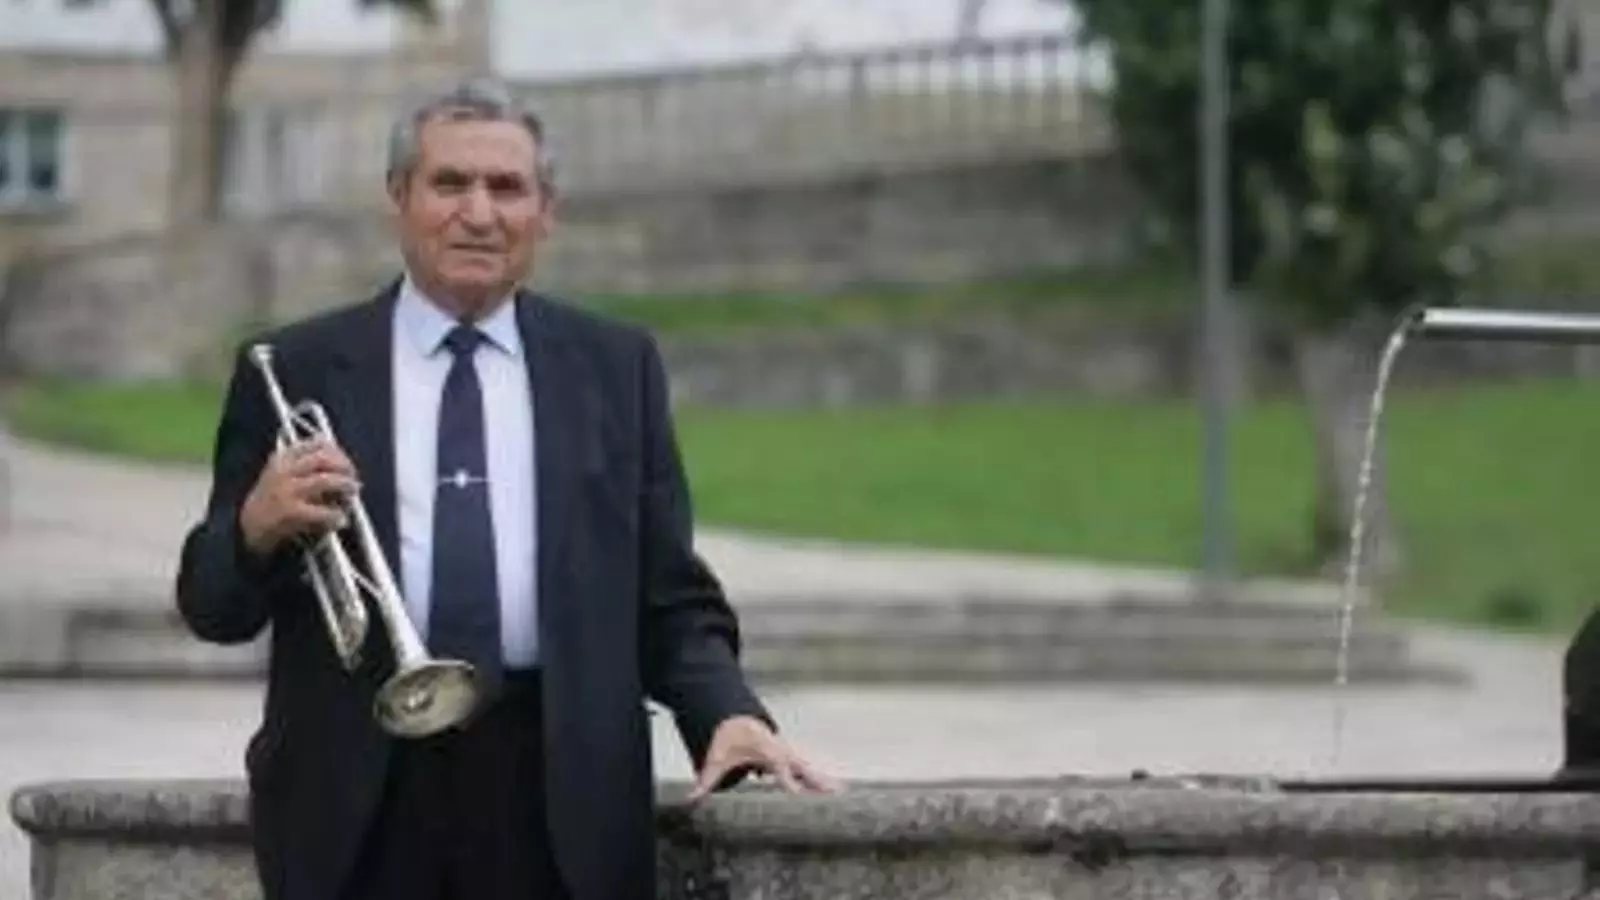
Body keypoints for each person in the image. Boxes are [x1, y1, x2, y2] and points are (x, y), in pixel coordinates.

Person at [174, 77, 839, 900]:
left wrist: (727, 714)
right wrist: (254, 528)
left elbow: (667, 595)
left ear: (545, 211)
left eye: (507, 187)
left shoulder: (615, 367)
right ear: (399, 197)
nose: (479, 213)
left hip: (560, 803)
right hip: (356, 806)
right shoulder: (296, 367)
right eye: (450, 183)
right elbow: (212, 608)